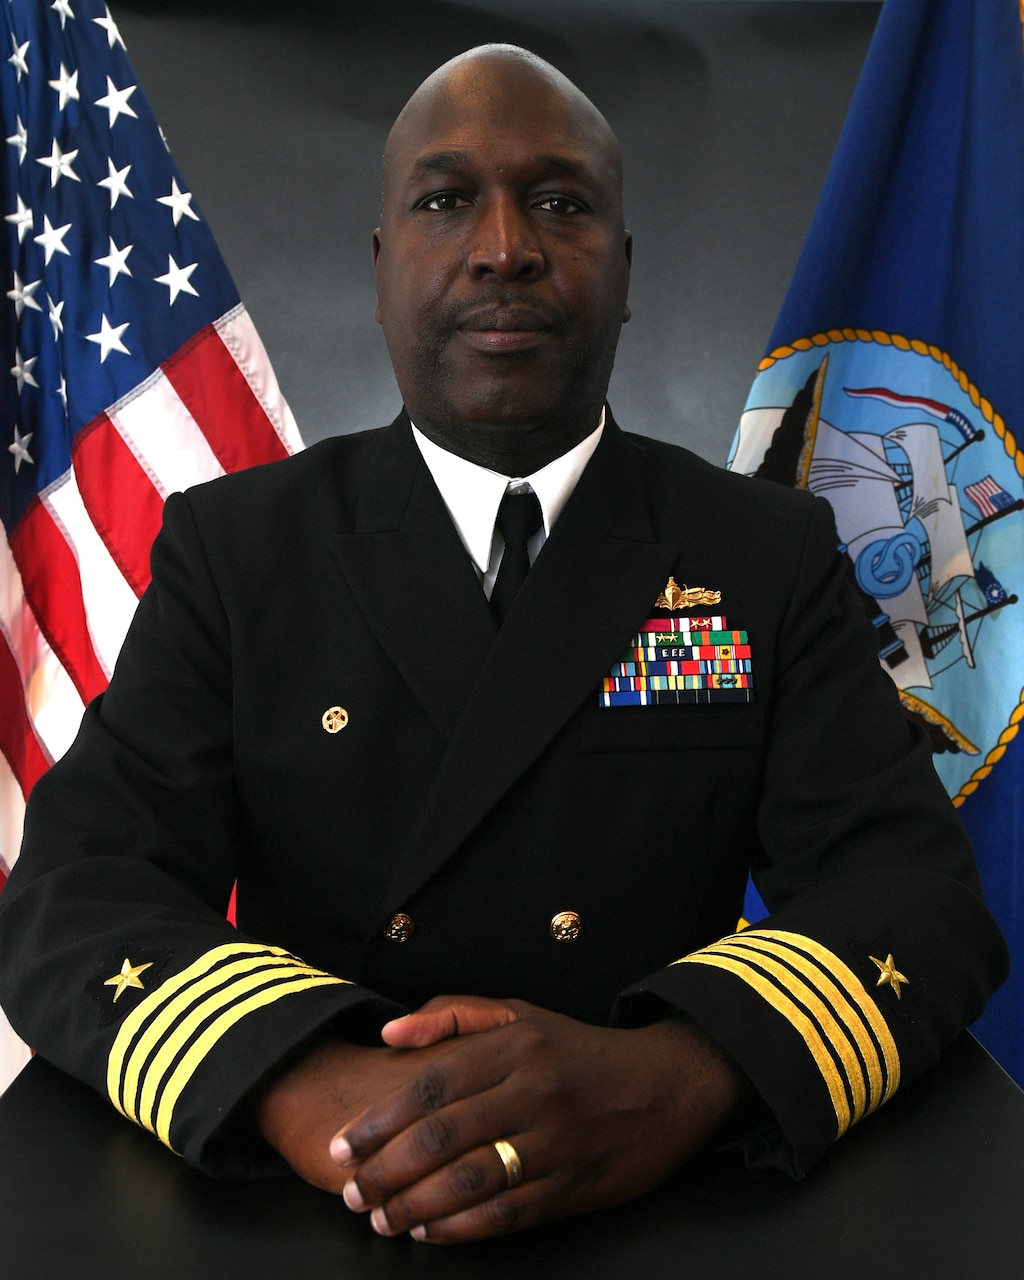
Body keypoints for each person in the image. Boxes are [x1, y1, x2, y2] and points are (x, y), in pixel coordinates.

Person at [0, 45, 1007, 1245]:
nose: (502, 246)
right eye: (442, 200)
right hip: (323, 1197)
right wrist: (310, 1089)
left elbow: (913, 894)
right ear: (379, 273)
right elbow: (76, 889)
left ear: (625, 272)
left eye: (560, 201)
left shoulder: (763, 552)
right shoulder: (239, 548)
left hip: (665, 1195)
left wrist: (677, 1075)